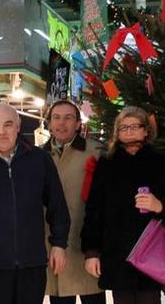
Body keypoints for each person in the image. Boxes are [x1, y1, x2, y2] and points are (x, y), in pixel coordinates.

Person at [0, 103, 70, 304]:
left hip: (31, 264)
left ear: (18, 127)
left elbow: (58, 205)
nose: (1, 131)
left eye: (8, 125)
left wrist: (59, 244)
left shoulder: (39, 159)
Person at [81, 106, 165, 304]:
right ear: (117, 133)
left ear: (146, 130)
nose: (129, 132)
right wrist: (91, 251)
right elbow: (94, 209)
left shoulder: (161, 162)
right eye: (123, 128)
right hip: (117, 253)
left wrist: (160, 206)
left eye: (134, 126)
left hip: (151, 252)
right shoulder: (107, 164)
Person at [42, 100, 106, 304]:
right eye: (56, 118)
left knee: (93, 296)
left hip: (86, 244)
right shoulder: (37, 156)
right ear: (49, 123)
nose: (62, 123)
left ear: (78, 123)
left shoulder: (96, 152)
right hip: (52, 245)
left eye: (68, 118)